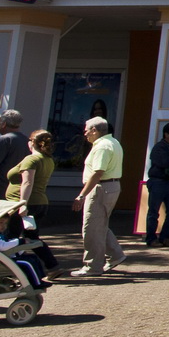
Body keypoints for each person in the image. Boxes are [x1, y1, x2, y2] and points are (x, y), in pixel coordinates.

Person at [70, 117, 126, 277]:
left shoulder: (103, 146)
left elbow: (98, 172)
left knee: (91, 228)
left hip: (101, 188)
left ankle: (92, 266)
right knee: (99, 224)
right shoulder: (112, 142)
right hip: (109, 187)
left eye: (87, 129)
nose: (85, 133)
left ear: (95, 130)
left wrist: (82, 195)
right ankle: (115, 255)